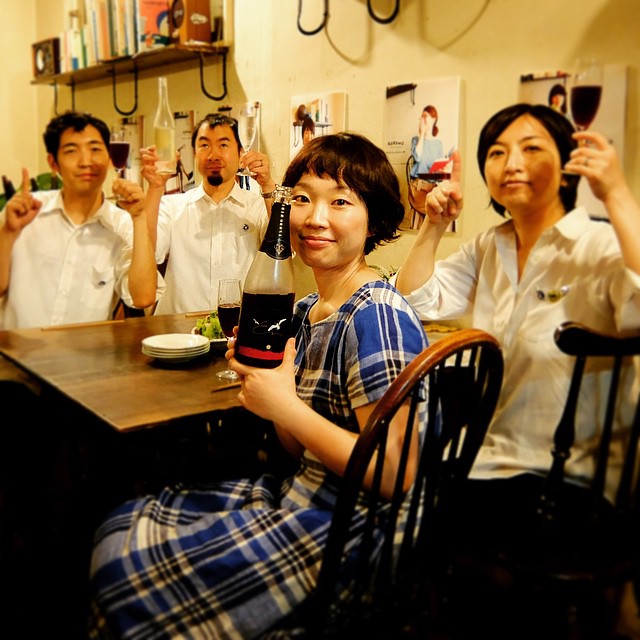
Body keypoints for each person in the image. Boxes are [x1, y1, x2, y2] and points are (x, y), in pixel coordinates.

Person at [88, 132, 429, 638]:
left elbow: (395, 473)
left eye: (340, 202)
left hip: (354, 531)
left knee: (127, 577)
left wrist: (285, 406)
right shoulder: (309, 310)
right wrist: (272, 394)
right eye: (302, 199)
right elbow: (296, 446)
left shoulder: (376, 316)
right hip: (303, 492)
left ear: (374, 220)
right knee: (120, 527)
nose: (315, 218)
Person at [394, 103, 640, 634]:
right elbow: (413, 301)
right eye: (497, 152)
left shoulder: (598, 244)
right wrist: (433, 226)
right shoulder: (491, 243)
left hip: (567, 477)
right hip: (485, 458)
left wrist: (617, 194)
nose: (512, 163)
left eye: (532, 149)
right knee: (399, 523)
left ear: (568, 164)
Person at [0, 111, 162, 330]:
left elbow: (143, 297)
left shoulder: (121, 224)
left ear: (109, 158)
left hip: (84, 352)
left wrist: (139, 216)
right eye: (71, 151)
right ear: (53, 163)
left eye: (95, 149)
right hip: (15, 349)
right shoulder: (26, 213)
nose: (86, 161)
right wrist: (8, 234)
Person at [141, 113, 278, 315]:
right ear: (194, 153)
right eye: (204, 145)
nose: (213, 155)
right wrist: (154, 188)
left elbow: (282, 251)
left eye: (223, 145)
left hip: (236, 328)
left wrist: (267, 185)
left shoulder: (257, 206)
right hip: (177, 330)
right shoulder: (172, 207)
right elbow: (145, 254)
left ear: (241, 152)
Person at [407, 104, 450, 229]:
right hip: (418, 186)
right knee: (429, 214)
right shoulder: (416, 140)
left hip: (432, 187)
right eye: (421, 117)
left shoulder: (438, 144)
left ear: (433, 119)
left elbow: (438, 170)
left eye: (425, 116)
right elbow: (417, 157)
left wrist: (442, 170)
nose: (422, 119)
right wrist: (422, 134)